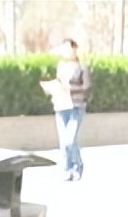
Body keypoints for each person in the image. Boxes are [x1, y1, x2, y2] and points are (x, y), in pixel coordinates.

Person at [40, 38, 91, 181]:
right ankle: (67, 169)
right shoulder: (61, 66)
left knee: (70, 139)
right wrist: (51, 87)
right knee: (64, 141)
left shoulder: (82, 67)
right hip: (61, 106)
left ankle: (78, 165)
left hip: (76, 106)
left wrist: (71, 89)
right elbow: (58, 82)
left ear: (75, 49)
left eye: (69, 48)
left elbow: (86, 86)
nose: (66, 51)